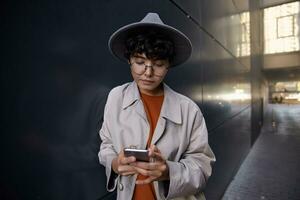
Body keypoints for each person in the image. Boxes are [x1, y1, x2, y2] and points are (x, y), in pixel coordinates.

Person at [99, 13, 216, 200]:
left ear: (168, 65)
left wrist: (169, 171)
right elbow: (106, 145)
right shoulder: (116, 97)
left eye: (158, 64)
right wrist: (114, 163)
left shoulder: (188, 110)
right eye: (139, 62)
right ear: (129, 60)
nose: (147, 73)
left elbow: (202, 168)